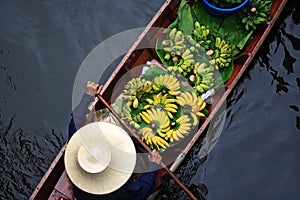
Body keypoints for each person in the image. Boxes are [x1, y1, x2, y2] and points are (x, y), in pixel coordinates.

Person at [67, 81, 162, 200]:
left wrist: (88, 95)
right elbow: (144, 188)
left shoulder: (77, 150)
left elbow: (75, 123)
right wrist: (153, 164)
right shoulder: (117, 193)